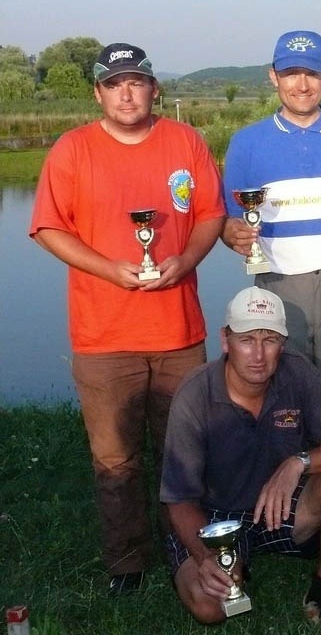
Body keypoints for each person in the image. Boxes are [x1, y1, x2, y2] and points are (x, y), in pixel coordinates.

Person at [29, 42, 225, 596]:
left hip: (178, 332)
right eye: (114, 84)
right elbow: (48, 228)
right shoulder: (72, 150)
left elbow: (211, 213)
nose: (126, 93)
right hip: (103, 335)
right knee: (115, 459)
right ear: (98, 93)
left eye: (136, 82)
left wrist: (185, 259)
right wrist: (110, 270)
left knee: (183, 452)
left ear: (153, 88)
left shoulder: (185, 141)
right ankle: (127, 563)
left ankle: (183, 547)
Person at [160, 286, 321, 624]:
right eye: (247, 339)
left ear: (283, 344)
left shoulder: (297, 371)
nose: (258, 354)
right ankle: (231, 567)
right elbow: (180, 499)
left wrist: (298, 463)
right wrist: (207, 557)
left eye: (270, 339)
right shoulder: (195, 393)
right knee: (209, 608)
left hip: (283, 506)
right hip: (215, 517)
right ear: (225, 340)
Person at [221, 30, 321, 409]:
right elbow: (229, 223)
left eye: (311, 73)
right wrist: (238, 237)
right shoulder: (247, 142)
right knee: (281, 398)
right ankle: (287, 468)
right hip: (277, 283)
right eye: (291, 73)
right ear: (273, 76)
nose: (302, 84)